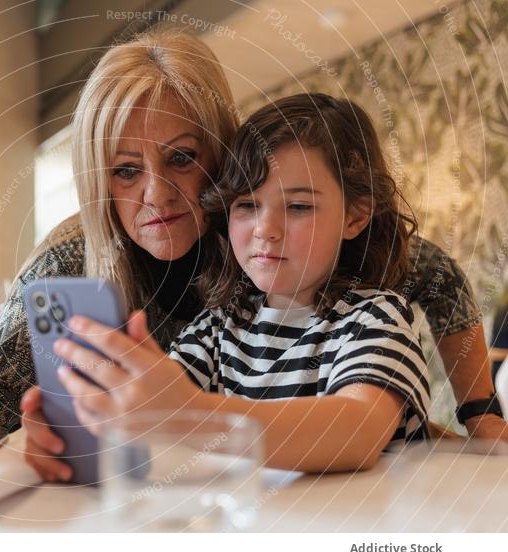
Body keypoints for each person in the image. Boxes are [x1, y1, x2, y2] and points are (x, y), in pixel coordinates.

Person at [0, 29, 505, 473]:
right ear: (99, 183)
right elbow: (1, 398)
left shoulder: (274, 243)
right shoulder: (81, 266)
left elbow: (434, 280)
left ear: (225, 155)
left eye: (183, 159)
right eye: (125, 172)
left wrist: (481, 414)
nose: (157, 194)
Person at [51, 93, 430, 473]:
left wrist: (188, 414)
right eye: (247, 205)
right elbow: (149, 414)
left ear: (356, 215)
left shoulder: (375, 320)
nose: (266, 230)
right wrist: (74, 428)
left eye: (298, 207)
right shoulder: (219, 328)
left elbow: (356, 431)